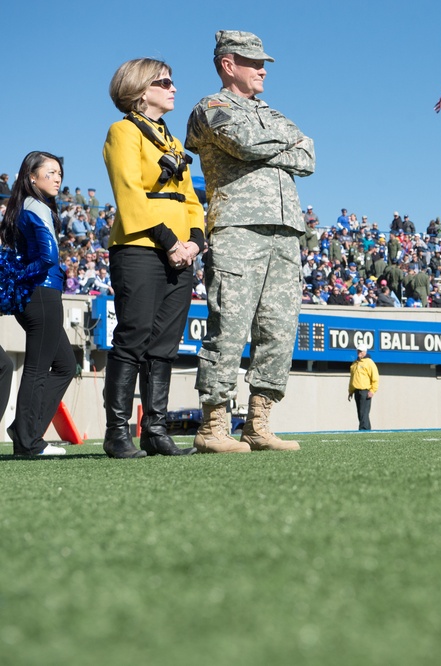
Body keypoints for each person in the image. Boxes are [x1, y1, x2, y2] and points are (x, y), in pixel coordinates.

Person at [186, 30, 315, 453]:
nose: (262, 70)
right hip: (238, 228)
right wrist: (283, 146)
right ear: (228, 64)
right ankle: (213, 425)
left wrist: (271, 147)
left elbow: (309, 156)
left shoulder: (272, 113)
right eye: (253, 62)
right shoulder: (211, 107)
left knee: (279, 330)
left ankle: (259, 422)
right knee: (230, 326)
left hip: (284, 231)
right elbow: (242, 143)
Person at [102, 57, 206, 458]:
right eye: (164, 82)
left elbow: (192, 199)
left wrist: (195, 241)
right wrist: (170, 241)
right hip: (140, 249)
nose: (173, 88)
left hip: (181, 253)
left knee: (164, 345)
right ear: (142, 90)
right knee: (132, 339)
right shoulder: (123, 132)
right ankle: (116, 433)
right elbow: (129, 193)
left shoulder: (171, 140)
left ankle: (155, 430)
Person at [0, 152, 75, 456]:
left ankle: (24, 430)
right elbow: (46, 257)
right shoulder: (37, 207)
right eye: (51, 172)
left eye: (60, 173)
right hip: (42, 295)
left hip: (34, 296)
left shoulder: (24, 207)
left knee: (65, 365)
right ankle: (28, 441)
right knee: (37, 368)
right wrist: (24, 279)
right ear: (32, 176)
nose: (58, 178)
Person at [348, 345, 378, 430]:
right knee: (360, 413)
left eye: (361, 351)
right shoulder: (354, 364)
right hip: (356, 391)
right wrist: (350, 391)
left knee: (364, 413)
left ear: (365, 352)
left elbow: (375, 378)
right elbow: (352, 379)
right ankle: (367, 430)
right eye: (358, 351)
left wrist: (372, 390)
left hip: (365, 391)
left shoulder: (369, 363)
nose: (359, 353)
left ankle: (363, 429)